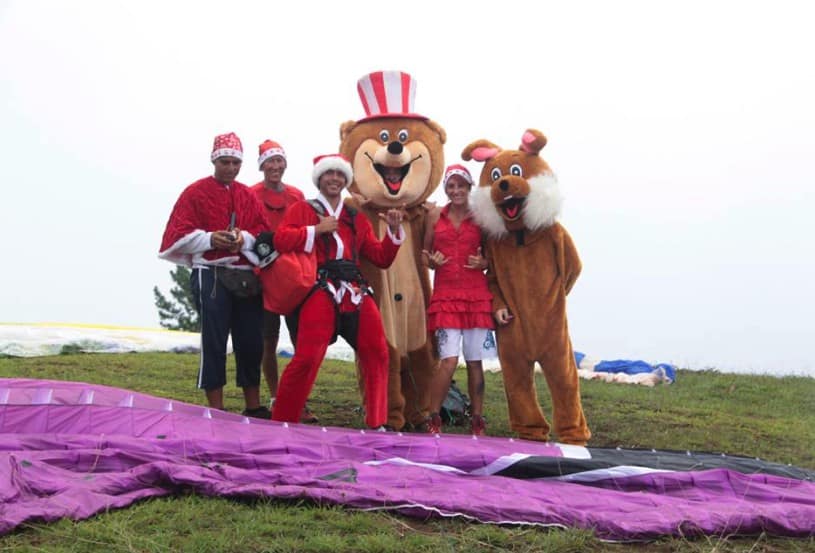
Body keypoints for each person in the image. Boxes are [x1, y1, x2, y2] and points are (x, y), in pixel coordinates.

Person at [271, 154, 405, 429]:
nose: (334, 179)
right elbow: (281, 240)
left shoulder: (355, 216)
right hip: (320, 286)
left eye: (339, 175)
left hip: (355, 288)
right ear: (319, 179)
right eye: (329, 174)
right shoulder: (303, 209)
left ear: (346, 180)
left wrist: (393, 232)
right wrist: (316, 230)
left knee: (378, 352)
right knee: (308, 356)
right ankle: (283, 420)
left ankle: (377, 422)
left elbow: (380, 258)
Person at [158, 132, 270, 419]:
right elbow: (177, 234)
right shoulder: (194, 192)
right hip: (211, 275)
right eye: (225, 162)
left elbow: (262, 233)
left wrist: (242, 238)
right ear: (214, 161)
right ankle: (216, 408)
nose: (230, 168)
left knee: (250, 340)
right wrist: (210, 239)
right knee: (214, 340)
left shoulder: (247, 195)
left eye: (235, 163)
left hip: (245, 277)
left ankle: (253, 405)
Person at [422, 164, 496, 435]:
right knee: (448, 361)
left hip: (476, 297)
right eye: (451, 186)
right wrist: (432, 261)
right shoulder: (434, 217)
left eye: (460, 186)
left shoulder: (481, 219)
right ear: (446, 189)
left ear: (469, 188)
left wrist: (484, 262)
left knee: (475, 360)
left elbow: (493, 257)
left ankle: (477, 419)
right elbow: (424, 254)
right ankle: (433, 417)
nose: (456, 191)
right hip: (445, 298)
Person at [249, 139, 317, 422]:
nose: (275, 167)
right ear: (262, 166)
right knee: (267, 338)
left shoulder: (296, 195)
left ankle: (297, 398)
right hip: (263, 273)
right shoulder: (251, 194)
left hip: (293, 275)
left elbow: (303, 230)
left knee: (299, 338)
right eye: (269, 162)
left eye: (279, 161)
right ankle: (277, 395)